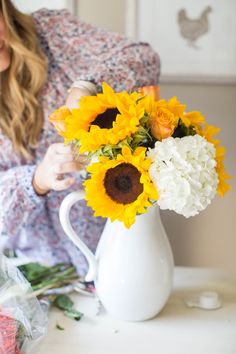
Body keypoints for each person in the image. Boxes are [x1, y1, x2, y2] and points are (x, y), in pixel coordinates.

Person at [0, 0, 160, 275]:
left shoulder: (51, 31)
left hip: (113, 250)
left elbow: (144, 59)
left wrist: (88, 87)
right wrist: (36, 179)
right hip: (35, 268)